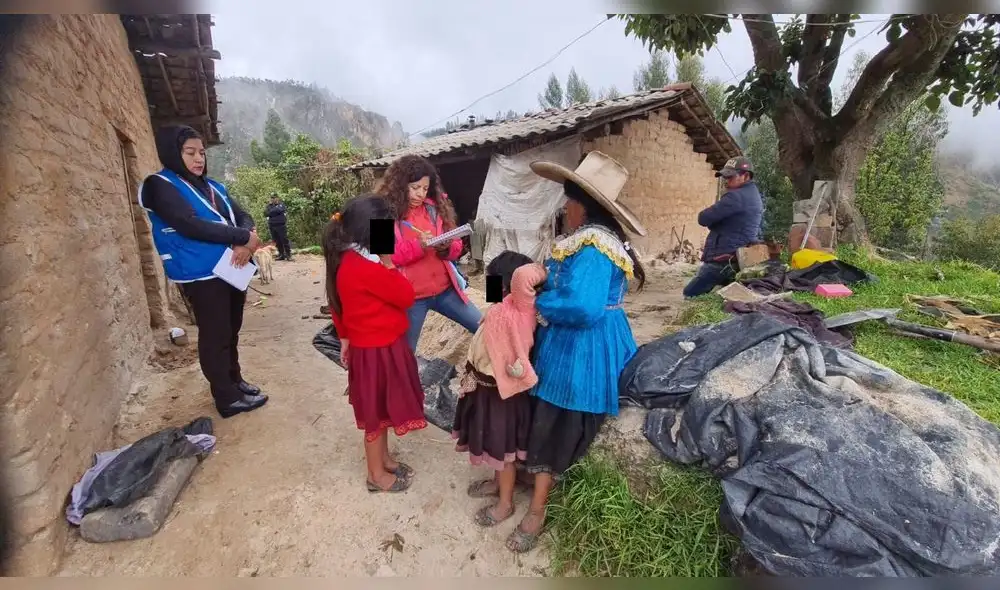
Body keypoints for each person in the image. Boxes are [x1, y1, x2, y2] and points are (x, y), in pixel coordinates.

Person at [507, 151, 647, 553]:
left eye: (567, 200)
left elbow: (583, 307)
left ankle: (537, 509)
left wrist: (538, 304)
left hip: (583, 344)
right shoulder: (596, 243)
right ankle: (532, 480)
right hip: (593, 335)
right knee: (551, 415)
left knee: (556, 415)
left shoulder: (594, 247)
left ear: (580, 205)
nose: (564, 208)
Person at [139, 125, 268, 419]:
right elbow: (188, 224)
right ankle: (226, 397)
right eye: (190, 152)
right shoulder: (159, 185)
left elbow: (242, 214)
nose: (198, 159)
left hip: (231, 266)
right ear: (174, 153)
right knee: (215, 334)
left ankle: (235, 380)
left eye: (201, 153)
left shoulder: (213, 188)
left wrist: (246, 239)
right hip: (201, 273)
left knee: (231, 328)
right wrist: (240, 237)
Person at [323, 194, 427, 493]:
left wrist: (344, 337)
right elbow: (405, 297)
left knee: (378, 409)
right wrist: (388, 261)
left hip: (373, 347)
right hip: (378, 351)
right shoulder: (368, 267)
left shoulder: (347, 258)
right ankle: (375, 474)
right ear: (373, 232)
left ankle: (383, 459)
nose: (391, 236)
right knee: (375, 416)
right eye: (387, 230)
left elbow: (336, 303)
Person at [452, 251, 548, 528]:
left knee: (503, 451)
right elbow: (493, 304)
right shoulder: (501, 306)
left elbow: (527, 276)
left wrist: (549, 266)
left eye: (497, 281)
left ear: (514, 284)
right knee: (495, 445)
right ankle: (498, 486)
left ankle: (505, 503)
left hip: (501, 394)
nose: (493, 287)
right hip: (485, 388)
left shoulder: (521, 306)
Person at [378, 155, 482, 351]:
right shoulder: (381, 212)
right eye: (415, 187)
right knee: (405, 354)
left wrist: (447, 248)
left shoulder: (435, 208)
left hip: (446, 291)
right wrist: (419, 246)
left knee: (483, 327)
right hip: (411, 298)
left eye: (425, 189)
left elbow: (456, 245)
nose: (420, 194)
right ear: (400, 184)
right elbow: (383, 257)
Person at [682, 156, 764, 298]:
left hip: (724, 258)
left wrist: (715, 223)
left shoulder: (735, 197)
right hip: (738, 256)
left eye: (730, 177)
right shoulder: (753, 194)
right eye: (725, 177)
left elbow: (703, 218)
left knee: (691, 292)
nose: (726, 181)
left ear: (745, 176)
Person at [265, 193, 293, 261]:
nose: (273, 199)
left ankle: (288, 255)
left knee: (284, 240)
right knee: (277, 241)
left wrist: (273, 212)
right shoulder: (269, 206)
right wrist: (276, 210)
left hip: (281, 225)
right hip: (272, 225)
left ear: (277, 198)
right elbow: (266, 213)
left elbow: (281, 210)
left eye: (274, 197)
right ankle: (281, 254)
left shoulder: (281, 204)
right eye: (272, 198)